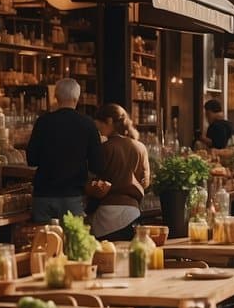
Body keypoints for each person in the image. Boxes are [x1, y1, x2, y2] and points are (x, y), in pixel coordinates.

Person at [25, 79, 101, 222]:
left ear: (56, 97)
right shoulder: (87, 124)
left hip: (43, 195)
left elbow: (32, 159)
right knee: (73, 240)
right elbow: (96, 164)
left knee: (44, 241)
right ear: (77, 98)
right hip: (72, 196)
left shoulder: (43, 122)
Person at [87, 104, 149, 241]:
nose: (98, 130)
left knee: (106, 257)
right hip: (133, 213)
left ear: (109, 121)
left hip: (107, 215)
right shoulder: (141, 147)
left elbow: (93, 179)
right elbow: (146, 182)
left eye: (99, 125)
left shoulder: (104, 148)